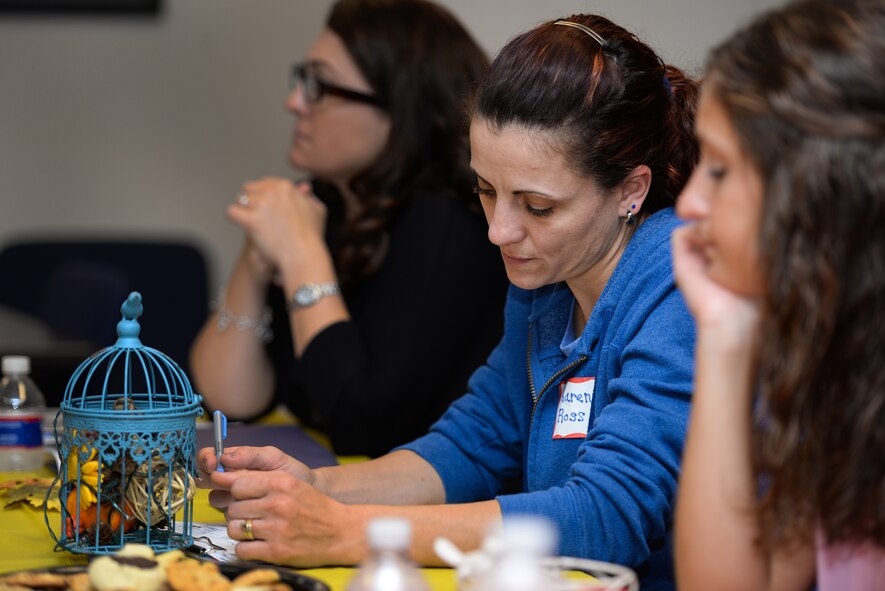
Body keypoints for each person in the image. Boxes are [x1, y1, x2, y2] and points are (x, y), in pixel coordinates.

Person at [198, 13, 699, 591]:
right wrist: (318, 487)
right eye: (486, 191)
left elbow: (606, 516)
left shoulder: (677, 280)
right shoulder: (547, 282)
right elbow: (472, 444)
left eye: (537, 206)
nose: (499, 232)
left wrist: (347, 531)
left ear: (631, 191)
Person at [189, 0, 508, 457]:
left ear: (399, 109)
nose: (295, 102)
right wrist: (255, 261)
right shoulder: (325, 205)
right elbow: (229, 397)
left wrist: (301, 255)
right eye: (304, 79)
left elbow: (363, 425)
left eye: (321, 85)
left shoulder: (451, 221)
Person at [672, 1, 885, 589]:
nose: (688, 205)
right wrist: (722, 335)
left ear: (815, 188)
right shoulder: (837, 367)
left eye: (718, 169)